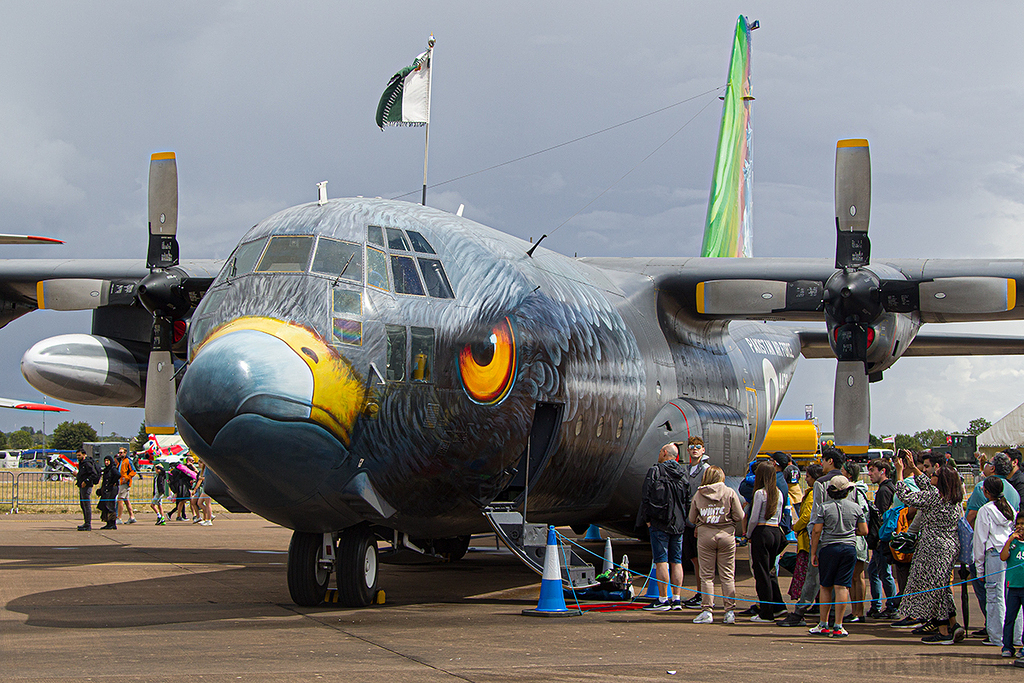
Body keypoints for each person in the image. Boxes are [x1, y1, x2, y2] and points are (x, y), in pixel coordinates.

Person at [893, 451, 966, 644]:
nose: (930, 475)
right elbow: (926, 484)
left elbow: (905, 495)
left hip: (934, 548)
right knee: (942, 587)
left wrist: (900, 472)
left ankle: (943, 631)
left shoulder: (934, 499)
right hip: (950, 546)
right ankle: (954, 624)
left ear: (940, 481)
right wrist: (914, 468)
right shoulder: (954, 499)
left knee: (936, 589)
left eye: (934, 475)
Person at [777, 448, 846, 627]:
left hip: (824, 537)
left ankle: (800, 611)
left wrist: (813, 542)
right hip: (845, 537)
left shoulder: (821, 484)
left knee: (813, 576)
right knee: (838, 581)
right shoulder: (848, 483)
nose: (821, 464)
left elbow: (816, 516)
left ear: (830, 461)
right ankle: (833, 616)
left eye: (823, 460)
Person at [808, 474, 869, 637]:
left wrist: (813, 552)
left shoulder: (824, 507)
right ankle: (839, 625)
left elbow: (817, 530)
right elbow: (864, 530)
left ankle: (823, 624)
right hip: (849, 548)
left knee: (825, 586)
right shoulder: (856, 507)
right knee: (842, 586)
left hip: (829, 548)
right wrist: (849, 531)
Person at [688, 465, 744, 624]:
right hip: (726, 535)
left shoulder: (699, 494)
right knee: (727, 575)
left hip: (705, 535)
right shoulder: (729, 492)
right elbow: (740, 516)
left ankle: (707, 610)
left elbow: (691, 519)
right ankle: (729, 611)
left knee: (706, 576)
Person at [636, 442, 688, 611]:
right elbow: (688, 499)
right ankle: (677, 598)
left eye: (660, 451)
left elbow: (646, 496)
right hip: (678, 523)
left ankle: (663, 598)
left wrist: (648, 519)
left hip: (660, 522)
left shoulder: (656, 471)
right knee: (677, 561)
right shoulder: (683, 472)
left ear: (665, 453)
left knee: (661, 561)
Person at [973, 475, 1020, 650]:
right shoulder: (1010, 510)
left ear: (986, 491)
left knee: (994, 596)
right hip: (1011, 555)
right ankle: (1016, 635)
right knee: (1013, 596)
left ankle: (997, 636)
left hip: (994, 556)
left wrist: (979, 569)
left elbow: (980, 541)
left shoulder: (985, 510)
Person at [747, 461, 787, 622]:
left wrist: (748, 534)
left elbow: (754, 518)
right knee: (770, 571)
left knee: (761, 572)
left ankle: (766, 612)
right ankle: (778, 606)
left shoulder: (760, 494)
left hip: (762, 532)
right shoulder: (779, 493)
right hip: (776, 531)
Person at [866, 458, 899, 618]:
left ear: (882, 471)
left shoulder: (884, 491)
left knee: (883, 572)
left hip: (882, 539)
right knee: (875, 571)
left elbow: (882, 516)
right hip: (882, 538)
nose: (870, 474)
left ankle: (891, 606)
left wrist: (879, 538)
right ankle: (878, 605)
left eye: (872, 470)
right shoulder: (888, 488)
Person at [680, 437, 710, 608]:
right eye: (692, 447)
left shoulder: (705, 470)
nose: (694, 449)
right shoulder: (688, 469)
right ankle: (700, 593)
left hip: (698, 520)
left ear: (703, 450)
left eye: (698, 447)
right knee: (694, 558)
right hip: (688, 519)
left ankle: (702, 594)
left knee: (701, 560)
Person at [789, 463, 823, 603]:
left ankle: (806, 602)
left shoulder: (812, 494)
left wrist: (796, 527)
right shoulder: (813, 492)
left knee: (808, 574)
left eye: (808, 476)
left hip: (807, 542)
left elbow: (807, 516)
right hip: (807, 540)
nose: (806, 479)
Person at [842, 461, 871, 623]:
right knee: (853, 577)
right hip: (854, 537)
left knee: (858, 576)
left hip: (857, 538)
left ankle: (859, 612)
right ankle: (855, 610)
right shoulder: (855, 490)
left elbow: (863, 513)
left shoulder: (855, 491)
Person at [999, 510, 1024, 661]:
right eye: (1018, 524)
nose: (1020, 527)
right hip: (1013, 587)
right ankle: (1007, 646)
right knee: (1010, 617)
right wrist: (1009, 540)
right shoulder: (1013, 542)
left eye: (1023, 524)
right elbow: (1003, 557)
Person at [74, 447, 98, 531]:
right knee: (83, 505)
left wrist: (86, 481)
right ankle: (86, 522)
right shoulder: (81, 463)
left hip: (86, 486)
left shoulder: (87, 463)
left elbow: (93, 474)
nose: (78, 457)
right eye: (77, 455)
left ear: (84, 455)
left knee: (86, 505)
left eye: (79, 455)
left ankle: (88, 524)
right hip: (81, 486)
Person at [115, 448, 138, 524]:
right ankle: (132, 516)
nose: (120, 454)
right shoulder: (121, 461)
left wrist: (127, 478)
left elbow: (133, 471)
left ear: (125, 453)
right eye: (119, 453)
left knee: (120, 499)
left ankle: (119, 518)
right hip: (120, 482)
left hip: (125, 483)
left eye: (121, 452)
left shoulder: (128, 461)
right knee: (126, 500)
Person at [97, 455, 120, 530]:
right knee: (105, 505)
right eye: (105, 461)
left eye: (108, 461)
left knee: (110, 505)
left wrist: (112, 482)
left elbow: (118, 475)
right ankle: (108, 522)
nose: (106, 462)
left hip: (111, 490)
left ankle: (112, 523)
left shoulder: (112, 468)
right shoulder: (107, 469)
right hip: (107, 489)